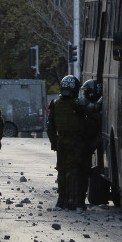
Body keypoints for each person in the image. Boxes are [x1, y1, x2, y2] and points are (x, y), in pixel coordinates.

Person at [47, 75, 101, 210]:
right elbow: (94, 109)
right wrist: (103, 99)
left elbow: (50, 127)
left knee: (61, 170)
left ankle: (61, 200)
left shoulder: (54, 103)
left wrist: (54, 142)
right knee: (74, 170)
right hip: (76, 141)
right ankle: (74, 201)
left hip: (61, 141)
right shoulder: (79, 102)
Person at [78, 79, 103, 210]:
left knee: (83, 172)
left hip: (89, 142)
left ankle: (78, 199)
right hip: (83, 142)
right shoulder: (83, 103)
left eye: (86, 91)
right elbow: (93, 109)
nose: (85, 93)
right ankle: (76, 199)